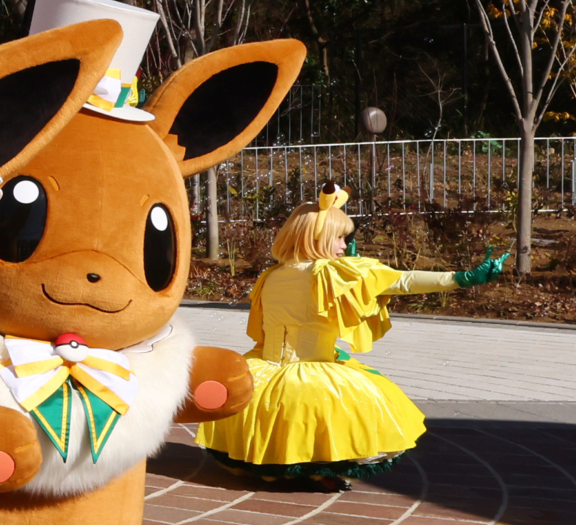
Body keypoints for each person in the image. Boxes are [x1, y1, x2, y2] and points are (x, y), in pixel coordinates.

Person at [196, 183, 506, 490]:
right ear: (317, 237)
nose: (344, 246)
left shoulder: (270, 276)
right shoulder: (330, 273)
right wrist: (462, 278)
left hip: (264, 369)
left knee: (271, 416)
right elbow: (403, 281)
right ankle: (315, 470)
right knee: (350, 405)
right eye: (339, 237)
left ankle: (274, 465)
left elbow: (265, 333)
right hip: (310, 371)